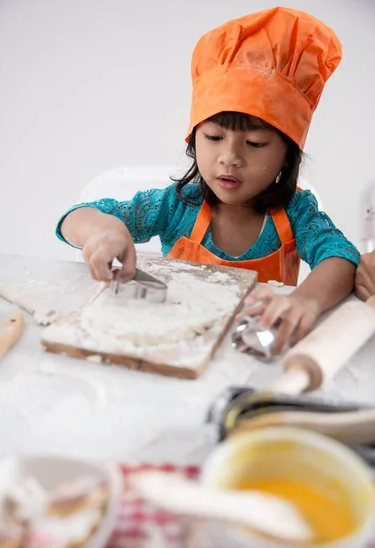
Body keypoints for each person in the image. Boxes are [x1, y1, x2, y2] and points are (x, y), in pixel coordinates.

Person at [57, 6, 360, 350]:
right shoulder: (176, 206)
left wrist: (305, 301)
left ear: (287, 154)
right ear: (193, 139)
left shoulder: (297, 213)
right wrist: (100, 229)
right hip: (175, 343)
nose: (229, 157)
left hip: (252, 352)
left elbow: (341, 258)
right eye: (214, 138)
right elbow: (74, 218)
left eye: (255, 143)